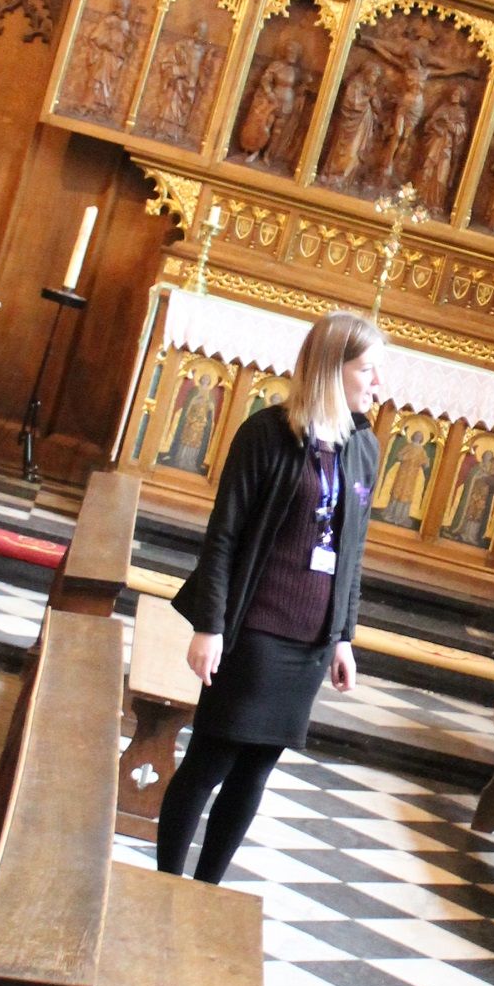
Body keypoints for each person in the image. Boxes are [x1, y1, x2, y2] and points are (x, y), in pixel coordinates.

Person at [158, 311, 381, 885]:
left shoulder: (364, 447)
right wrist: (210, 626)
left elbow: (352, 551)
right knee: (211, 760)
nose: (377, 383)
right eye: (367, 369)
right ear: (333, 371)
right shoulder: (266, 433)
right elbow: (224, 534)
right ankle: (164, 880)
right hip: (255, 629)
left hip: (310, 637)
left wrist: (344, 636)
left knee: (256, 769)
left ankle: (204, 890)